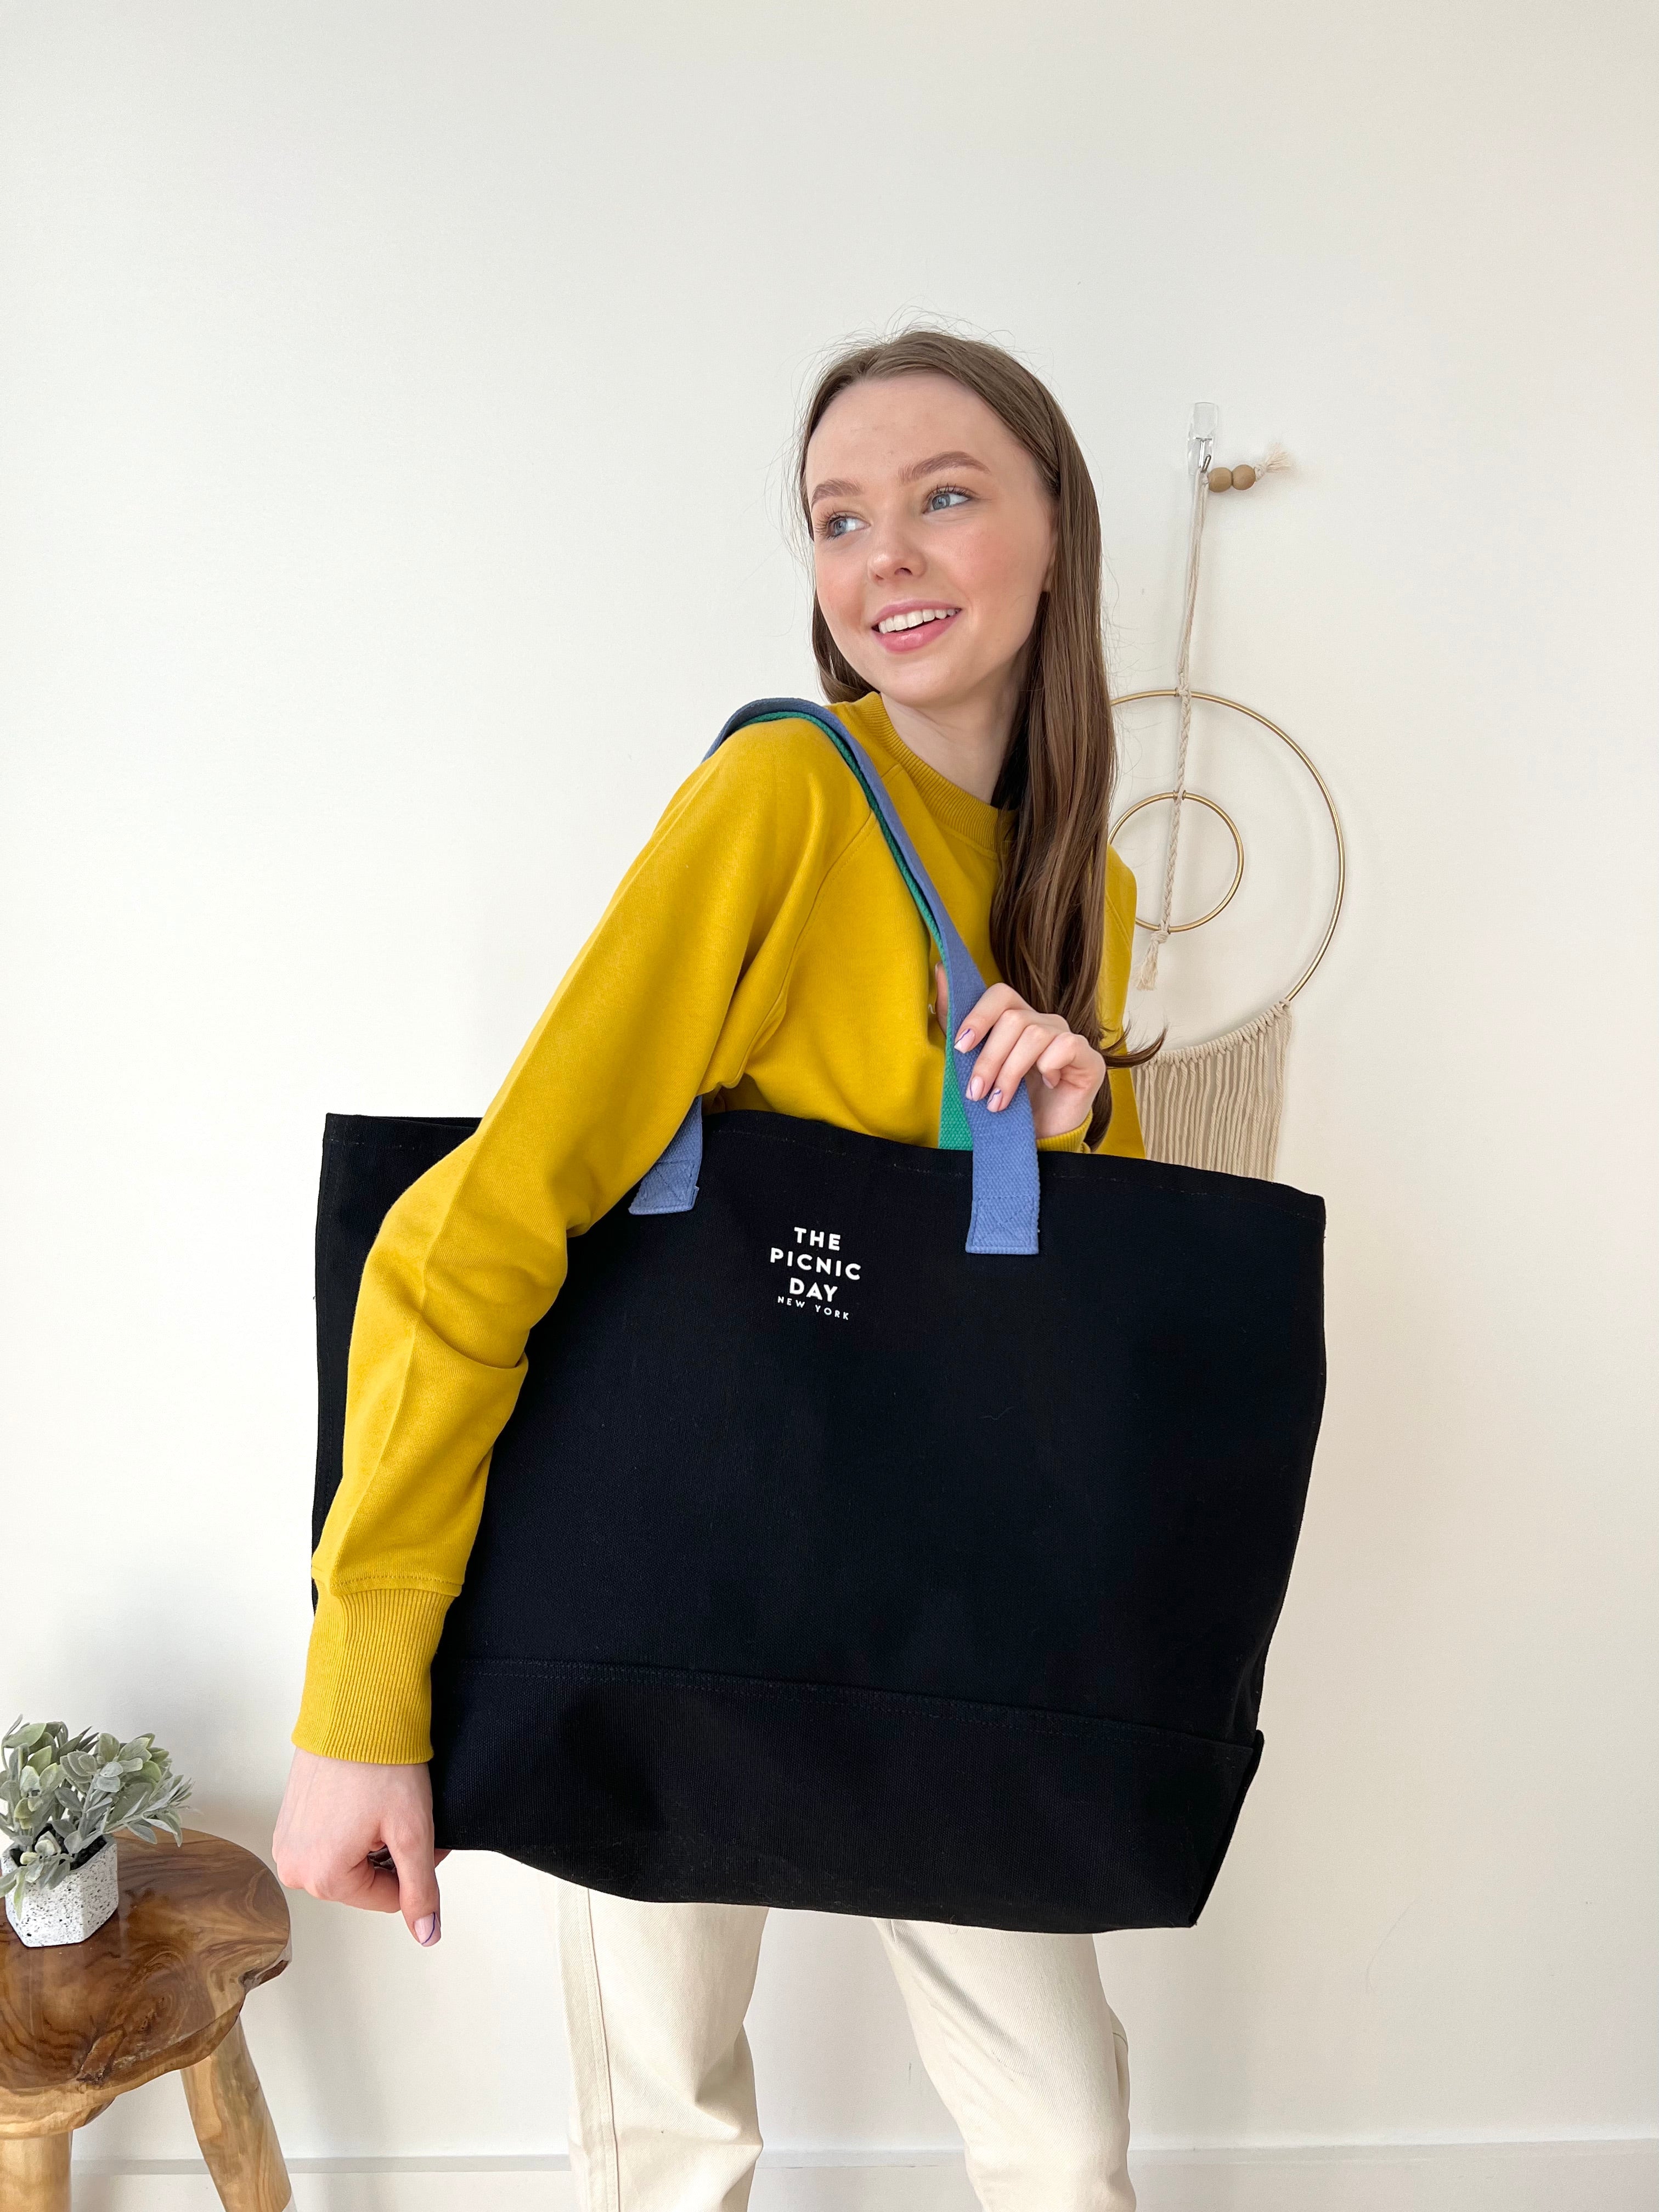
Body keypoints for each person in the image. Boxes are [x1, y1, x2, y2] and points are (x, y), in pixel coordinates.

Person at [275, 327, 1156, 2212]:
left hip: (939, 1598)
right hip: (660, 1573)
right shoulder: (783, 798)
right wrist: (363, 1697)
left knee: (1066, 2134)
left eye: (943, 497)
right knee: (672, 2142)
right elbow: (480, 1220)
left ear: (1059, 534)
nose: (884, 558)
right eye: (841, 519)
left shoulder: (1092, 888)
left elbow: (1076, 1330)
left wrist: (1077, 1125)